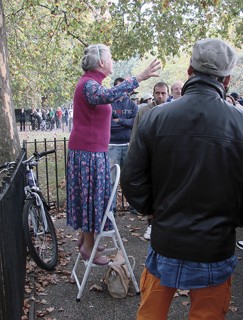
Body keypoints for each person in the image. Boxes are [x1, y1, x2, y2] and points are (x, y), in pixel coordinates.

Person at [121, 38, 241, 319]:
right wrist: (231, 219)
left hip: (166, 240)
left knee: (150, 314)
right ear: (226, 80)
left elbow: (131, 179)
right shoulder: (239, 124)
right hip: (214, 245)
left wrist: (155, 210)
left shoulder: (156, 118)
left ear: (189, 72)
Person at [66, 43, 160, 266]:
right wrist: (140, 76)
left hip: (92, 151)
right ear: (100, 62)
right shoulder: (89, 85)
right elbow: (108, 95)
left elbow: (109, 96)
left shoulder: (92, 83)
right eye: (110, 57)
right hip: (88, 152)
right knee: (91, 198)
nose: (113, 61)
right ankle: (88, 246)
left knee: (94, 198)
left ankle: (87, 242)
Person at [130, 81, 170, 239]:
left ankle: (164, 225)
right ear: (153, 94)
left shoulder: (172, 111)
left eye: (163, 93)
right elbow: (135, 134)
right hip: (147, 158)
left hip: (166, 159)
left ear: (167, 94)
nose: (160, 96)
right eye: (157, 93)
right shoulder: (143, 111)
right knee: (150, 193)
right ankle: (151, 226)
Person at [108, 77, 138, 214]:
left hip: (128, 145)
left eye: (124, 88)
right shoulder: (109, 105)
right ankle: (111, 208)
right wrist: (124, 123)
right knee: (112, 179)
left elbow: (134, 123)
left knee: (130, 178)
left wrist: (119, 120)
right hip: (112, 145)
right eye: (118, 87)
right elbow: (109, 126)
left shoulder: (132, 105)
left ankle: (134, 206)